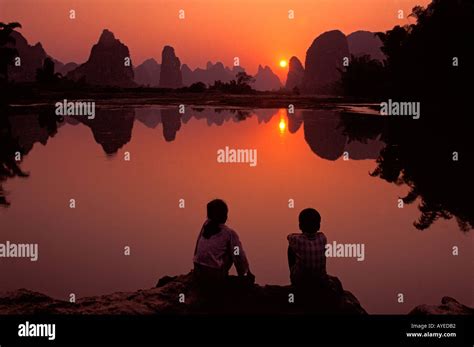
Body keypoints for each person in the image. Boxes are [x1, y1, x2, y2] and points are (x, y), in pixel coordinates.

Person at [193, 199, 254, 287]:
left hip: (198, 273)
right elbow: (239, 256)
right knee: (234, 250)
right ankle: (242, 277)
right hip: (214, 276)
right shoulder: (229, 233)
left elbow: (197, 247)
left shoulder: (205, 226)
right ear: (224, 215)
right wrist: (246, 273)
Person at [287, 208, 327, 288]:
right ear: (318, 226)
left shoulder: (297, 240)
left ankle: (293, 279)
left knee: (291, 247)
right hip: (320, 280)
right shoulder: (323, 238)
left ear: (300, 226)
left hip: (302, 281)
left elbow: (289, 236)